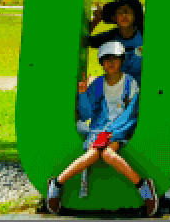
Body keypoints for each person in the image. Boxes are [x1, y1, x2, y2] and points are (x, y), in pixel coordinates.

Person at [45, 41, 158, 216]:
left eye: (115, 59)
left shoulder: (130, 83)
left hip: (120, 130)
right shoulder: (97, 84)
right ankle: (56, 184)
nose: (111, 63)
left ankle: (144, 187)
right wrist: (82, 94)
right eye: (106, 59)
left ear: (122, 60)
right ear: (101, 63)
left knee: (107, 154)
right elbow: (85, 114)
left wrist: (114, 132)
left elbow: (131, 113)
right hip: (98, 132)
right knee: (97, 154)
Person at [86, 0, 145, 84]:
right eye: (119, 13)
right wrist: (96, 20)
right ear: (113, 17)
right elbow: (84, 40)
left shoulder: (142, 34)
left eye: (127, 12)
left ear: (135, 16)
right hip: (118, 89)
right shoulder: (110, 37)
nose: (124, 16)